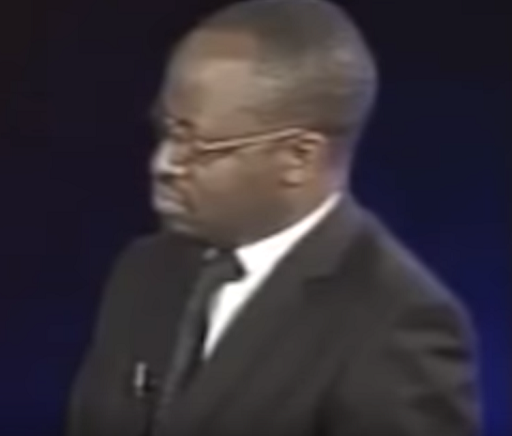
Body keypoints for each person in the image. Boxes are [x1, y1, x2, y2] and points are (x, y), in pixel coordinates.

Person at [66, 1, 481, 435]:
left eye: (197, 146)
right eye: (168, 130)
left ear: (299, 158)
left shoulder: (396, 322)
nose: (164, 163)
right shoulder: (145, 270)